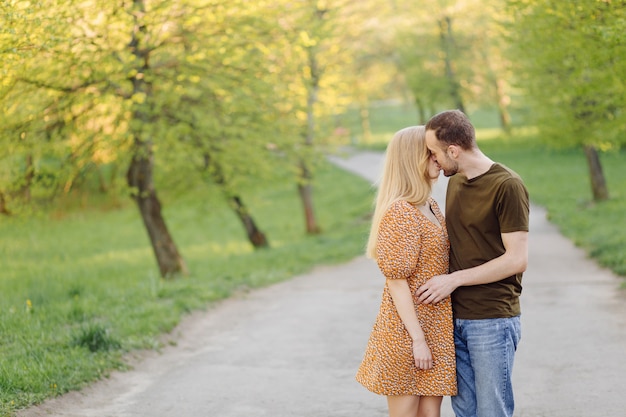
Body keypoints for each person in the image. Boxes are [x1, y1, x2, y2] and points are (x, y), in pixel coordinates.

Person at [416, 110, 529, 417]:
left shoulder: (507, 185)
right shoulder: (456, 183)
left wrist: (454, 280)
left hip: (491, 318)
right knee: (465, 409)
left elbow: (517, 259)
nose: (434, 160)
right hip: (455, 316)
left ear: (453, 150)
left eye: (435, 153)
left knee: (492, 410)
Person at [356, 126, 457, 417]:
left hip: (435, 327)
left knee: (430, 414)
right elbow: (396, 281)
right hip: (406, 332)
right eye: (431, 152)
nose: (438, 158)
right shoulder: (401, 211)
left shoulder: (431, 205)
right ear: (414, 157)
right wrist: (418, 340)